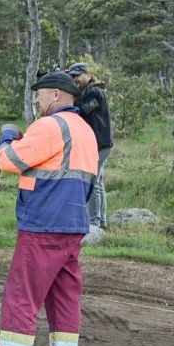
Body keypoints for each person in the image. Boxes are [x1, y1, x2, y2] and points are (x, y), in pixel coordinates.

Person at [0, 71, 98, 346]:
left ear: (55, 95)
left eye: (39, 96)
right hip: (73, 226)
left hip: (44, 224)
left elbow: (9, 160)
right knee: (64, 297)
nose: (37, 102)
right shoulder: (86, 130)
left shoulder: (50, 126)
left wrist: (6, 137)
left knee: (21, 296)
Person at [67, 62, 113, 230]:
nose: (74, 79)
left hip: (100, 145)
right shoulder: (91, 91)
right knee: (98, 183)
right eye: (72, 76)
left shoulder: (95, 92)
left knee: (91, 182)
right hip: (100, 144)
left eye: (77, 75)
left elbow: (84, 110)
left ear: (87, 74)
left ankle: (94, 222)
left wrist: (70, 100)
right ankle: (101, 221)